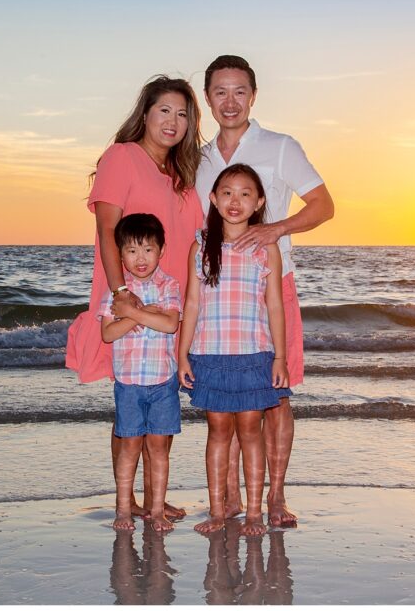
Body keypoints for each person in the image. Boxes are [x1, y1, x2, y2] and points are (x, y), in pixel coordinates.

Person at [195, 55, 336, 527]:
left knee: (275, 393)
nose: (229, 101)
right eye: (220, 92)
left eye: (239, 91)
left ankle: (275, 496)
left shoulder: (279, 146)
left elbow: (323, 205)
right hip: (216, 294)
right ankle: (231, 499)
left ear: (253, 96)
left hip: (273, 283)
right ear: (208, 98)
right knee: (226, 401)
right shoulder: (199, 158)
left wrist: (275, 228)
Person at [67, 75, 204, 521]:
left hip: (170, 302)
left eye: (183, 114)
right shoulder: (122, 157)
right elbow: (107, 230)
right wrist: (121, 292)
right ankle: (131, 502)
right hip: (128, 296)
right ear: (144, 113)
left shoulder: (182, 175)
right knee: (129, 404)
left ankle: (154, 499)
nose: (173, 121)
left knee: (159, 400)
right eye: (164, 110)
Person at [178, 164, 288, 537]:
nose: (235, 200)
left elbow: (275, 306)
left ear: (258, 202)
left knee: (251, 433)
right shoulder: (201, 245)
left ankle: (255, 513)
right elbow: (191, 305)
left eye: (245, 194)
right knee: (218, 433)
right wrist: (182, 355)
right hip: (210, 356)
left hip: (255, 356)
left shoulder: (266, 249)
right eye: (226, 192)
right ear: (213, 198)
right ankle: (218, 510)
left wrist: (281, 358)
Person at [99, 214, 182, 532]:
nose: (141, 258)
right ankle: (123, 509)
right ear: (120, 254)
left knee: (159, 448)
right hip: (129, 384)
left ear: (161, 249)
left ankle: (157, 509)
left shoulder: (168, 285)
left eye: (148, 249)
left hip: (163, 383)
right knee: (130, 447)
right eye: (132, 251)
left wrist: (132, 314)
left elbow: (170, 323)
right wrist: (141, 313)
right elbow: (108, 334)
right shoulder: (117, 293)